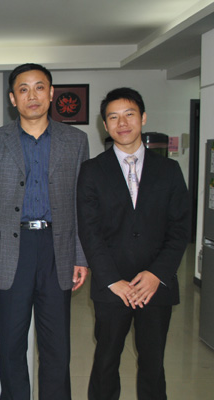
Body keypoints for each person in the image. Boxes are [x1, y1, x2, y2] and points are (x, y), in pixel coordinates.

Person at [0, 63, 89, 400]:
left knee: (57, 345)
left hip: (58, 248)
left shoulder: (76, 140)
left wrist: (81, 256)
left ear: (51, 93)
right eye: (23, 89)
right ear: (13, 98)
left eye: (39, 87)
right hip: (11, 250)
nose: (32, 95)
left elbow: (81, 202)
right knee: (11, 344)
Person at [77, 87, 189, 400]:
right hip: (112, 286)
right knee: (106, 361)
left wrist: (157, 274)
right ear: (105, 125)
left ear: (143, 118)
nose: (122, 123)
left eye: (129, 114)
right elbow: (89, 230)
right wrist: (112, 280)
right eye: (113, 117)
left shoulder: (168, 170)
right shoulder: (92, 170)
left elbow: (180, 228)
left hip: (156, 285)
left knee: (153, 364)